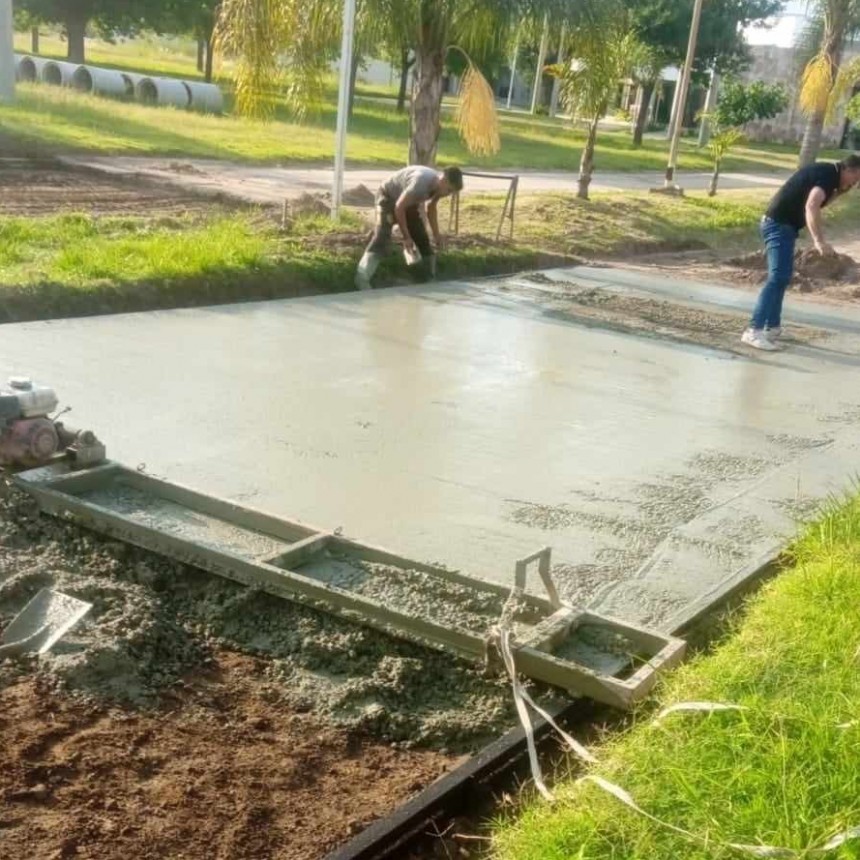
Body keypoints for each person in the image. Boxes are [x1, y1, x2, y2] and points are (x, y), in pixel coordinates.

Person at [742, 154, 860, 351]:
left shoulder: (829, 175)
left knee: (782, 277)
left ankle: (772, 327)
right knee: (777, 277)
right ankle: (753, 330)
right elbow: (812, 205)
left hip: (784, 227)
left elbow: (819, 201)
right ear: (849, 169)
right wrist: (819, 241)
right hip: (777, 225)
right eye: (856, 178)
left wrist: (840, 191)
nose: (855, 183)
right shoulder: (828, 175)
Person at [355, 165, 464, 290]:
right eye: (449, 190)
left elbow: (431, 208)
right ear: (443, 180)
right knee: (382, 237)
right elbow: (399, 207)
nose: (448, 194)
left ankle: (428, 279)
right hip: (387, 197)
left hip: (408, 202)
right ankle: (361, 277)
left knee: (421, 236)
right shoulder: (420, 182)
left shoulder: (439, 188)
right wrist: (406, 237)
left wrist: (436, 235)